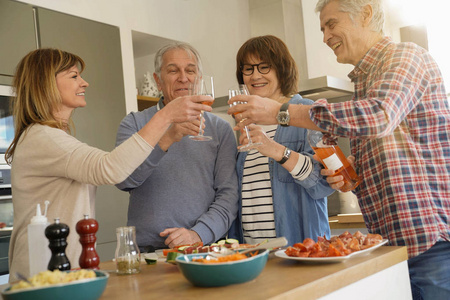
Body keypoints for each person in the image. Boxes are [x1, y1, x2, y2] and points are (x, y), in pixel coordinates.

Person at [228, 1, 450, 298]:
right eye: (323, 28)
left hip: (429, 241)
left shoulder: (405, 56)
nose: (325, 36)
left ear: (367, 14)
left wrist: (281, 113)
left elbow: (379, 116)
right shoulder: (364, 83)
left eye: (331, 24)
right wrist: (349, 175)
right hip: (390, 242)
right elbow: (380, 156)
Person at [6, 48, 211, 282]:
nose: (84, 83)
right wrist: (166, 116)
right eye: (74, 76)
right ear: (46, 84)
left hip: (57, 271)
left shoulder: (48, 137)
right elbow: (111, 169)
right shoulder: (43, 138)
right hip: (41, 276)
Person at [115, 43, 239, 251]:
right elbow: (124, 180)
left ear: (198, 78)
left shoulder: (220, 129)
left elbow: (228, 195)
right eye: (173, 70)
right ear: (158, 81)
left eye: (190, 70)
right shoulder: (134, 124)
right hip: (147, 253)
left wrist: (197, 233)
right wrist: (168, 137)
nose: (183, 77)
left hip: (204, 250)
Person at [227, 35, 334, 246]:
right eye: (248, 68)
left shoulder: (305, 111)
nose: (255, 75)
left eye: (264, 67)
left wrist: (276, 150)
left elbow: (324, 184)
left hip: (299, 248)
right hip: (254, 252)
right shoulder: (244, 123)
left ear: (281, 69)